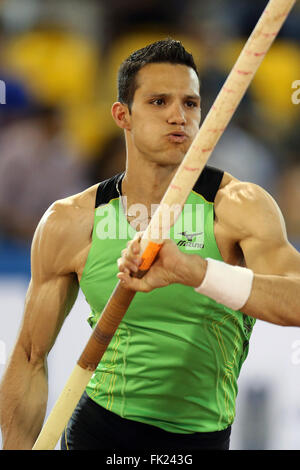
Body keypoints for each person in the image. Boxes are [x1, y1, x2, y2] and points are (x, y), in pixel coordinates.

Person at [0, 39, 299, 452]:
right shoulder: (71, 222)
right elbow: (30, 356)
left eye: (190, 104)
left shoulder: (237, 207)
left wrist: (196, 271)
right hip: (99, 434)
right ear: (122, 115)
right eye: (159, 102)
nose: (179, 116)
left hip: (201, 441)